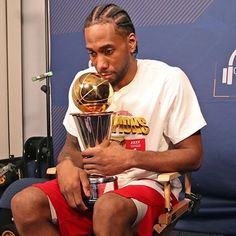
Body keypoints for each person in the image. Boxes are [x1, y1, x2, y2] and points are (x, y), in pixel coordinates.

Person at [11, 3, 206, 236]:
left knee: (108, 208)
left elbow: (193, 156)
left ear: (131, 43)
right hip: (94, 187)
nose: (99, 64)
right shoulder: (84, 82)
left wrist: (130, 158)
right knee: (24, 203)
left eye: (108, 51)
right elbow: (71, 148)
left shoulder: (168, 80)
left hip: (148, 184)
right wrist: (66, 165)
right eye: (92, 53)